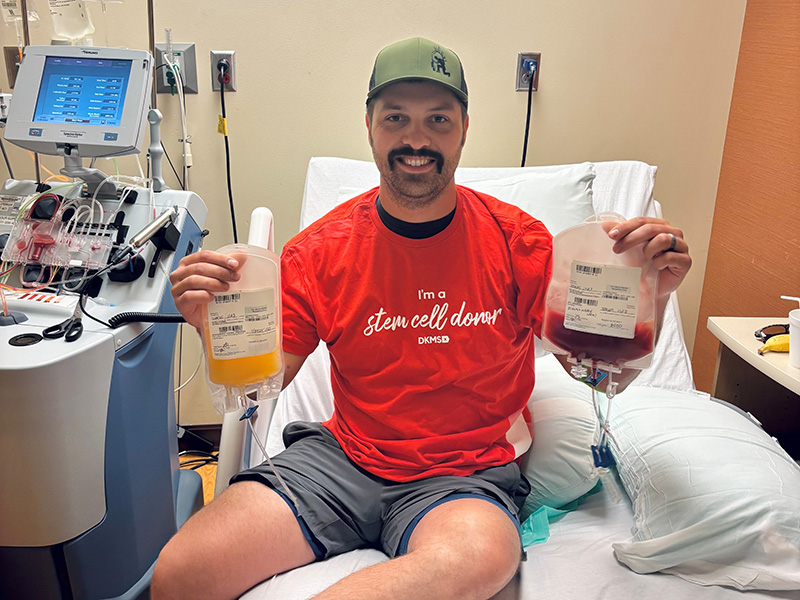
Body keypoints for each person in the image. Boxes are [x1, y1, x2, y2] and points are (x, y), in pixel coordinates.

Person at [152, 37, 692, 600]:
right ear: (369, 127)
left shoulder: (519, 244)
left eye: (438, 119)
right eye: (396, 118)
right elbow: (260, 386)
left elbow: (599, 375)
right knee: (182, 572)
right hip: (342, 462)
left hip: (462, 478)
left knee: (483, 556)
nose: (416, 138)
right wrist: (216, 329)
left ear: (464, 129)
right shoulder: (320, 252)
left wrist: (651, 298)